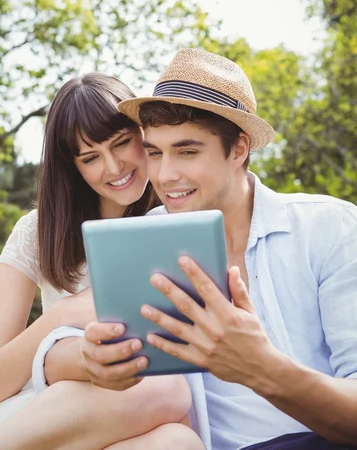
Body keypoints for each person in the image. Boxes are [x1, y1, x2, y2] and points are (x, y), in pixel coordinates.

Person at [25, 48, 356, 450]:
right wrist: (88, 357)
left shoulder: (328, 228)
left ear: (238, 149)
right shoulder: (147, 237)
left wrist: (261, 367)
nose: (165, 175)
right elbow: (56, 351)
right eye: (154, 153)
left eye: (187, 151)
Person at [0, 73, 203, 450]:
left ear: (144, 134)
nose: (113, 167)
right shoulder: (38, 233)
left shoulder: (182, 213)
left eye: (122, 144)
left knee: (178, 440)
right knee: (164, 389)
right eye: (90, 158)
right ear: (72, 166)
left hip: (151, 426)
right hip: (62, 421)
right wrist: (65, 314)